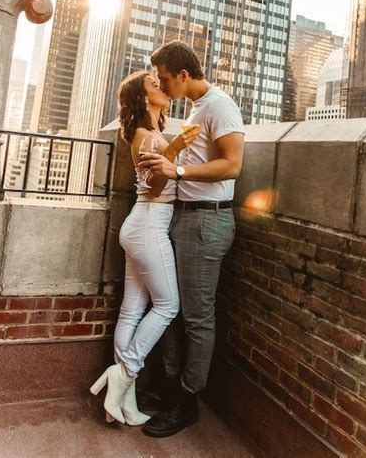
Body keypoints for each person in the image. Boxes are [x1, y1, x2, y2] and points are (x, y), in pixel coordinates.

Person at [139, 40, 245, 438]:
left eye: (166, 79)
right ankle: (170, 387)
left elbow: (233, 165)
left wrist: (177, 173)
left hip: (206, 223)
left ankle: (186, 401)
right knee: (170, 308)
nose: (164, 87)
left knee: (197, 317)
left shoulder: (220, 105)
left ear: (183, 74)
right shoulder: (196, 109)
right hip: (185, 218)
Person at [89, 70, 199, 425]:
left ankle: (122, 402)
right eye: (154, 84)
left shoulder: (153, 132)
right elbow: (152, 187)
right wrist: (175, 149)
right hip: (149, 223)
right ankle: (123, 374)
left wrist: (171, 146)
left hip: (144, 225)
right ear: (142, 97)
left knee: (132, 309)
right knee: (168, 305)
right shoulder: (141, 134)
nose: (162, 87)